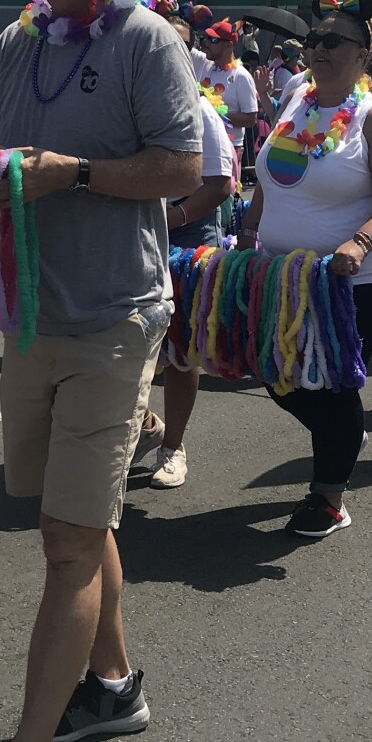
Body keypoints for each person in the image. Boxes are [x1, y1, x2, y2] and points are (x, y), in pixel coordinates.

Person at [0, 0, 202, 742]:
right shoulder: (18, 43)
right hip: (31, 316)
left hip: (115, 320)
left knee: (66, 539)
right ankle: (115, 686)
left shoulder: (148, 41)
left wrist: (80, 174)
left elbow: (183, 168)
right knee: (73, 523)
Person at [242, 0, 372, 535]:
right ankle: (343, 434)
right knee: (272, 368)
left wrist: (360, 243)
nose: (320, 47)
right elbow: (271, 177)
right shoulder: (296, 97)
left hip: (351, 281)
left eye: (335, 41)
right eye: (316, 38)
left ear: (362, 55)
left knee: (330, 382)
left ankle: (328, 496)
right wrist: (246, 232)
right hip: (280, 273)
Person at [138, 77, 238, 489]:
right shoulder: (127, 100)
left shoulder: (199, 108)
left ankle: (172, 447)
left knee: (181, 346)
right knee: (127, 339)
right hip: (135, 227)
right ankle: (143, 426)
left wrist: (173, 217)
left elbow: (221, 183)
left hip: (187, 235)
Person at [199, 21, 260, 142]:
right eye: (207, 39)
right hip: (205, 143)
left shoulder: (241, 76)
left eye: (213, 40)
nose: (207, 43)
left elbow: (251, 119)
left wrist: (216, 117)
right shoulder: (207, 68)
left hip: (230, 146)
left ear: (228, 46)